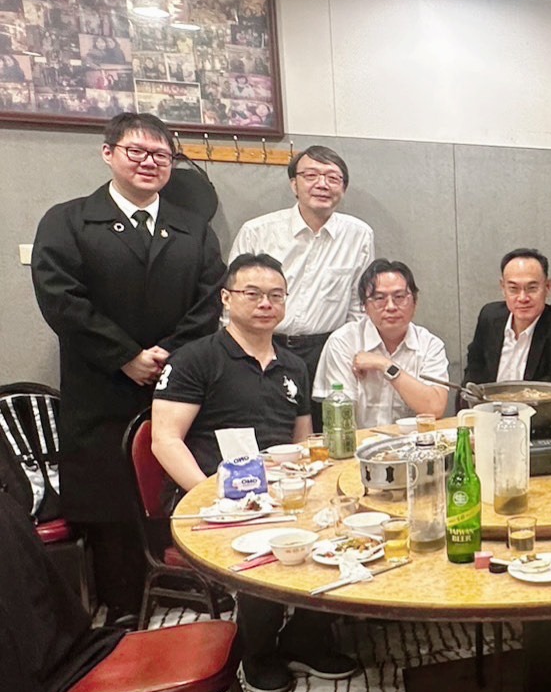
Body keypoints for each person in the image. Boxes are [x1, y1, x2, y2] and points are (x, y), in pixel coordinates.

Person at [31, 112, 225, 625]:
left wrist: (167, 355)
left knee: (176, 482)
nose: (149, 162)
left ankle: (185, 586)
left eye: (161, 154)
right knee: (110, 494)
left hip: (178, 384)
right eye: (136, 151)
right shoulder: (68, 220)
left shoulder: (194, 228)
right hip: (101, 384)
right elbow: (60, 299)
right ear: (108, 153)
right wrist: (125, 356)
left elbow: (209, 301)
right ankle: (121, 603)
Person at [151, 253, 359, 692]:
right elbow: (164, 440)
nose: (266, 303)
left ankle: (306, 637)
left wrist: (316, 485)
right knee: (264, 536)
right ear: (226, 299)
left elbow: (302, 441)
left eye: (276, 295)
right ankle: (257, 652)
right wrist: (210, 494)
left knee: (342, 521)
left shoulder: (293, 365)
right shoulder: (195, 359)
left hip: (279, 488)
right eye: (253, 293)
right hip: (215, 494)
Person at [227, 146, 374, 427]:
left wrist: (353, 350)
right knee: (269, 427)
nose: (322, 184)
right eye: (311, 175)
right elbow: (233, 299)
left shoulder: (359, 234)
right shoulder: (258, 231)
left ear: (343, 188)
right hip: (265, 345)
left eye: (332, 178)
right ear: (294, 184)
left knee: (325, 430)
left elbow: (359, 304)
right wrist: (235, 352)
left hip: (327, 350)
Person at [313, 259, 450, 427]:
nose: (391, 307)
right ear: (364, 306)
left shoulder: (430, 345)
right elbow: (342, 418)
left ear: (415, 302)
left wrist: (385, 365)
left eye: (399, 297)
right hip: (360, 441)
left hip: (414, 441)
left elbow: (435, 408)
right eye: (379, 298)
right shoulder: (343, 342)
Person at [465, 248, 551, 388]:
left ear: (547, 287)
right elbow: (471, 379)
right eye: (513, 289)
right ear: (503, 288)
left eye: (532, 288)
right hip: (485, 403)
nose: (523, 298)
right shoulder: (489, 317)